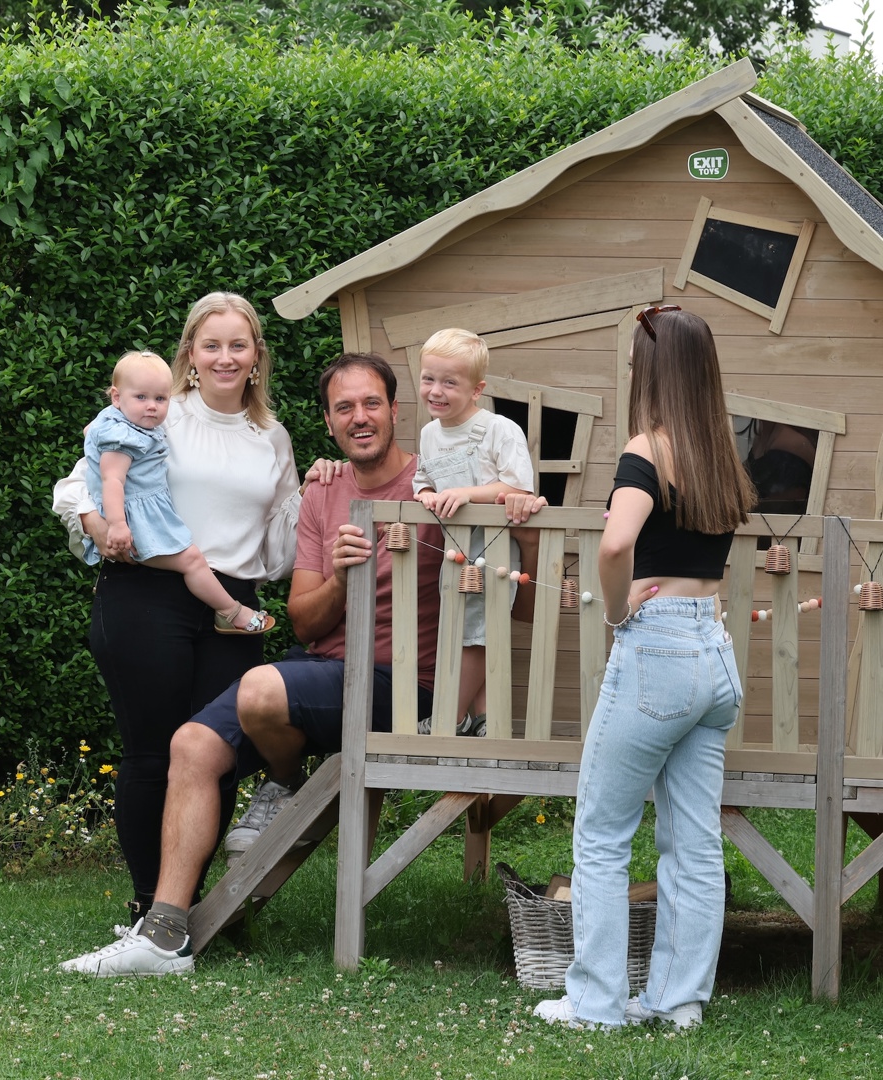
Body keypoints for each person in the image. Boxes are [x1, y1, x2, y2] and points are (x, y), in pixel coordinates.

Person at [58, 351, 549, 977]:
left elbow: (522, 603)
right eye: (344, 407)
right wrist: (345, 579)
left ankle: (281, 781)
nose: (360, 417)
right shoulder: (323, 492)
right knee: (191, 744)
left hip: (410, 690)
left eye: (372, 403)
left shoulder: (440, 487)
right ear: (328, 421)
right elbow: (305, 623)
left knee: (261, 688)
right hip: (325, 673)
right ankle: (163, 932)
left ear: (395, 410)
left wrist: (522, 524)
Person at [532, 305, 756, 1031]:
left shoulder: (646, 449)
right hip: (713, 656)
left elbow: (613, 541)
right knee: (691, 844)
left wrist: (617, 607)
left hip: (656, 650)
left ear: (650, 370)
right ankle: (678, 1000)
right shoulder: (722, 450)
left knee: (601, 833)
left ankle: (595, 1004)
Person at [52, 292, 301, 925]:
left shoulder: (271, 437)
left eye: (237, 345)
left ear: (256, 357)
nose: (224, 357)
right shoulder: (158, 412)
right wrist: (100, 525)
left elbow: (282, 540)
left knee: (215, 757)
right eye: (210, 344)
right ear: (189, 351)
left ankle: (185, 903)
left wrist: (326, 487)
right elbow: (81, 479)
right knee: (153, 754)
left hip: (231, 605)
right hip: (147, 593)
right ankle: (150, 908)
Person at [84, 349, 274, 634]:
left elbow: (90, 433)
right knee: (192, 561)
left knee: (190, 561)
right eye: (141, 398)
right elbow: (112, 481)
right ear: (116, 397)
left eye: (160, 399)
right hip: (135, 525)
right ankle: (231, 612)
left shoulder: (115, 422)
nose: (152, 407)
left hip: (141, 519)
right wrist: (118, 525)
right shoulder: (122, 437)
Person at [412, 328, 534, 736]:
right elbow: (422, 481)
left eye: (450, 382)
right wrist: (428, 494)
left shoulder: (500, 430)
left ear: (477, 389)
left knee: (479, 636)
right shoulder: (430, 434)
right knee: (463, 632)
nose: (436, 390)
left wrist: (467, 493)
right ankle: (482, 718)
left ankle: (452, 713)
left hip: (495, 551)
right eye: (429, 378)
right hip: (454, 554)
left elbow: (518, 487)